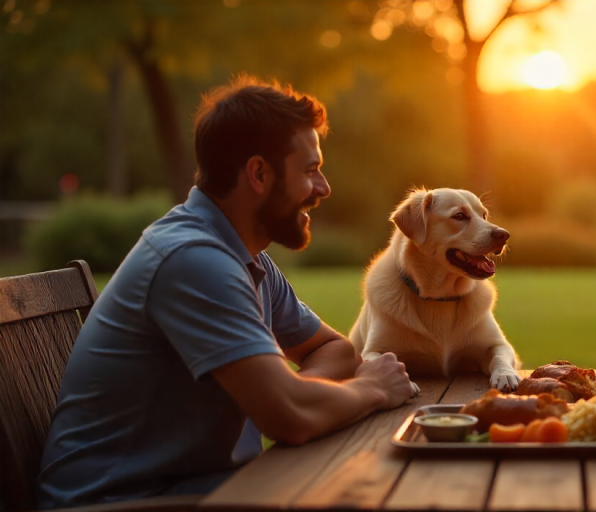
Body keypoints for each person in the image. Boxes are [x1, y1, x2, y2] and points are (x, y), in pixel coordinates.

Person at [36, 77, 414, 510]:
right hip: (122, 502)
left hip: (199, 488)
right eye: (310, 170)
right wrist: (370, 391)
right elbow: (290, 418)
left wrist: (298, 395)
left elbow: (334, 351)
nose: (323, 188)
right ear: (258, 173)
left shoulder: (240, 254)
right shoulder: (194, 261)